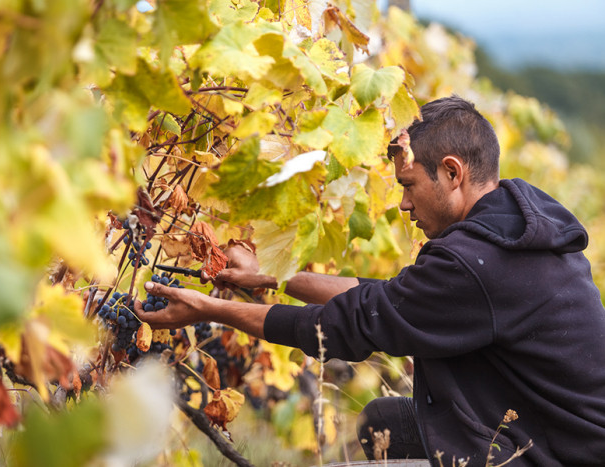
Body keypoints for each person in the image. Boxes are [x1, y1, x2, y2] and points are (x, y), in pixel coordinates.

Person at [135, 96, 605, 466]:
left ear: (452, 172)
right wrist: (273, 275)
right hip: (539, 426)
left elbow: (344, 327)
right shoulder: (514, 221)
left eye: (408, 185)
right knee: (383, 421)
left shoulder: (478, 264)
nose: (403, 205)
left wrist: (213, 309)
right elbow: (383, 299)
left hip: (553, 455)